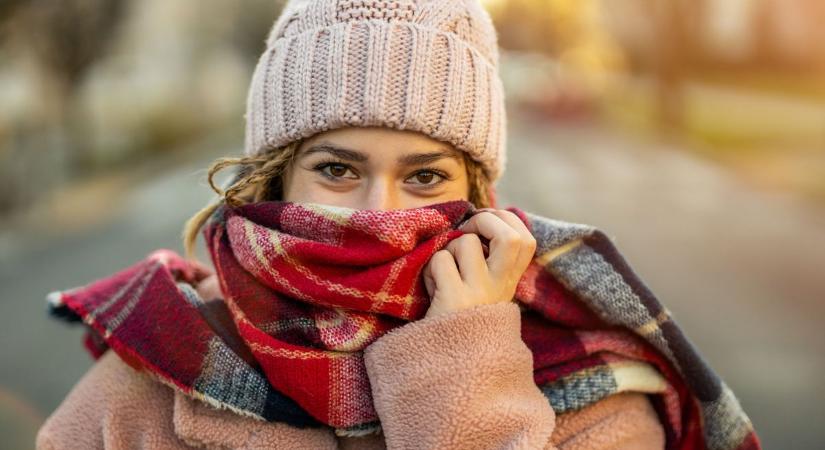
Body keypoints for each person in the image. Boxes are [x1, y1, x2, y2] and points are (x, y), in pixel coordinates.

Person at [37, 1, 760, 449]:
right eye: (338, 169)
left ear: (477, 199)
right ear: (277, 176)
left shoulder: (593, 395)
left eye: (424, 177)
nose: (380, 212)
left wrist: (463, 367)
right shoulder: (150, 377)